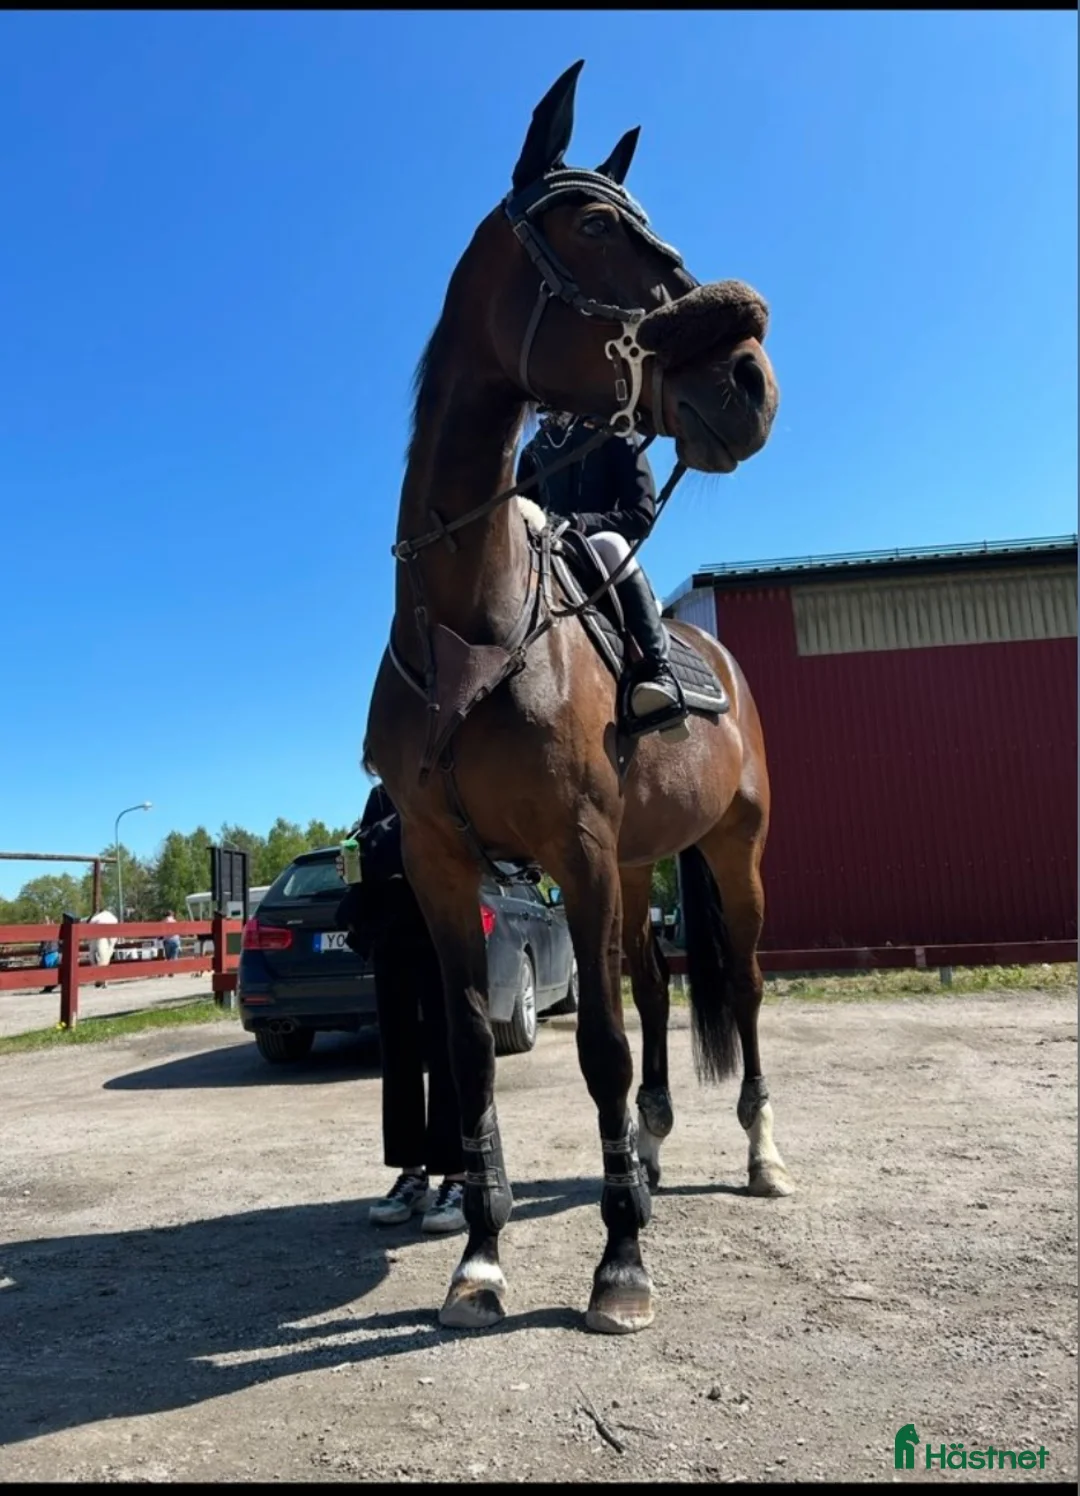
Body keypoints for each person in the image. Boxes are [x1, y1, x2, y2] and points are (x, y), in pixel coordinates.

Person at [336, 783, 466, 1234]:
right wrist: (354, 861)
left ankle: (457, 1176)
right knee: (398, 1054)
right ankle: (412, 1175)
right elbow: (366, 857)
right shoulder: (381, 795)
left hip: (441, 929)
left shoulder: (445, 782)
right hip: (390, 935)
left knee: (448, 1050)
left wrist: (380, 846)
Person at [516, 410, 689, 741]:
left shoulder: (615, 432)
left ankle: (658, 670)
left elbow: (640, 514)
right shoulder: (533, 452)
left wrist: (581, 523)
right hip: (549, 552)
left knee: (610, 544)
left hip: (598, 552)